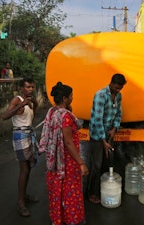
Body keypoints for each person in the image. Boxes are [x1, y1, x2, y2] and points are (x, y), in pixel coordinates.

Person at [39, 82, 88, 225]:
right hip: (67, 162)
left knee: (57, 191)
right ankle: (72, 220)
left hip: (55, 161)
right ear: (65, 98)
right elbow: (68, 142)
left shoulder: (52, 112)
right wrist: (81, 163)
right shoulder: (65, 116)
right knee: (69, 192)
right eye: (71, 96)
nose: (73, 98)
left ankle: (58, 220)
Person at [1, 77, 39, 217]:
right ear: (22, 88)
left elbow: (30, 119)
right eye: (28, 87)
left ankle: (24, 196)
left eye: (32, 87)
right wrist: (21, 105)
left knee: (28, 168)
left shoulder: (30, 101)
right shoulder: (17, 100)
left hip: (28, 134)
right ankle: (20, 203)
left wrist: (35, 104)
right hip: (20, 135)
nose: (30, 89)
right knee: (24, 169)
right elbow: (4, 116)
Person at [87, 73, 126, 204]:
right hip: (97, 135)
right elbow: (97, 120)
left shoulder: (118, 96)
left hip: (109, 133)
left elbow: (119, 113)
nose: (118, 90)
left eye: (120, 88)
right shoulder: (100, 95)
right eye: (116, 87)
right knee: (96, 165)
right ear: (111, 83)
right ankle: (91, 193)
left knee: (107, 163)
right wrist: (103, 141)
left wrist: (115, 128)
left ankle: (102, 191)